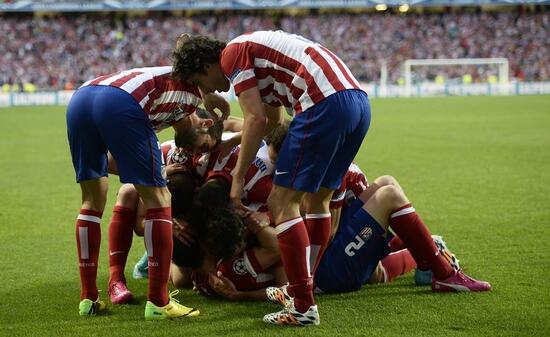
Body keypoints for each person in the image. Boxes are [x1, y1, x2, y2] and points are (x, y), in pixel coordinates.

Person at [173, 30, 370, 326]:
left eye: (201, 83)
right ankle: (305, 289)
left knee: (281, 202)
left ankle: (302, 304)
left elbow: (257, 119)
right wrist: (235, 140)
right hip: (355, 101)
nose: (211, 89)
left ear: (206, 66)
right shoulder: (255, 52)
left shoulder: (232, 55)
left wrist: (237, 178)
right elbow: (275, 120)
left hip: (321, 101)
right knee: (319, 202)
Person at [66, 65, 229, 319]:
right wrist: (217, 98)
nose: (200, 152)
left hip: (82, 97)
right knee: (159, 198)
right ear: (206, 123)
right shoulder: (186, 101)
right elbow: (191, 66)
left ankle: (88, 298)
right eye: (204, 145)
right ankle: (158, 302)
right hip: (120, 100)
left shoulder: (170, 110)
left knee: (91, 200)